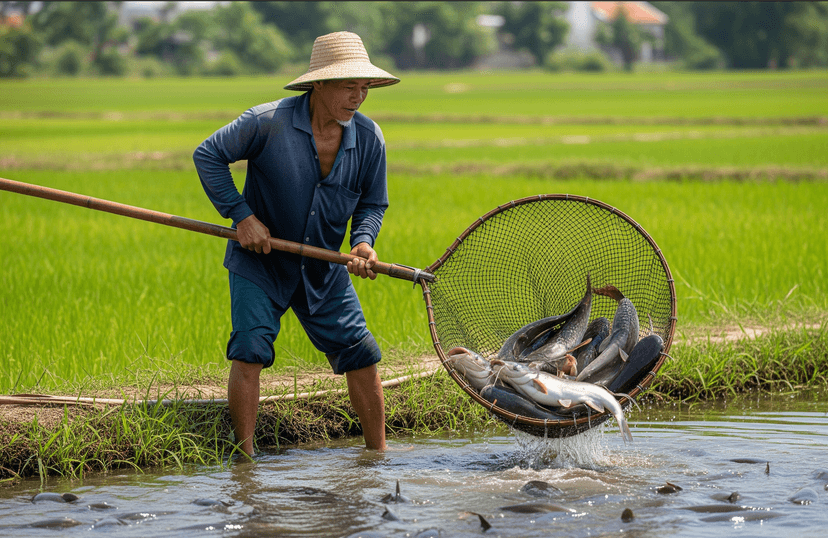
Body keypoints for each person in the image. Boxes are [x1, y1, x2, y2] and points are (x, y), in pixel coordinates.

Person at [193, 31, 400, 455]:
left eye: (364, 87)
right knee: (249, 350)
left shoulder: (369, 138)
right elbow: (208, 154)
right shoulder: (267, 122)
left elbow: (373, 203)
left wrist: (362, 242)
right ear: (318, 84)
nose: (358, 97)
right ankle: (245, 465)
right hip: (261, 262)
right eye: (348, 86)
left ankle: (377, 459)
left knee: (361, 355)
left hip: (323, 268)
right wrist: (242, 216)